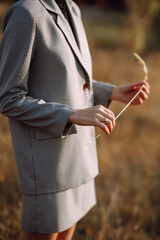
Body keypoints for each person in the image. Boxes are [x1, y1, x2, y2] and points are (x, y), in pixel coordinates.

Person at [0, 0, 150, 239]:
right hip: (50, 165)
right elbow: (8, 98)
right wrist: (69, 114)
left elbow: (68, 79)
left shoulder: (73, 8)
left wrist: (111, 92)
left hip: (80, 158)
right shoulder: (24, 13)